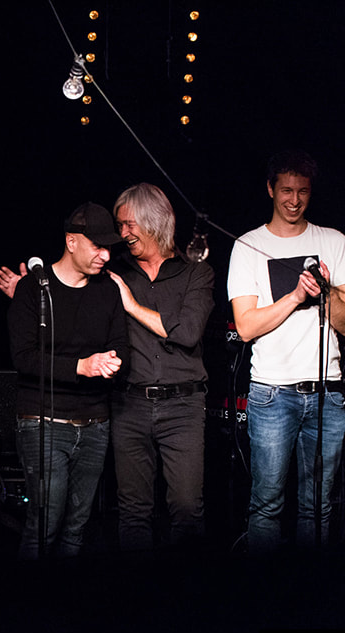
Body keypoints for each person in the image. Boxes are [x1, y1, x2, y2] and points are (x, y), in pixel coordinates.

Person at [227, 150, 345, 553]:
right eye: (286, 190)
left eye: (302, 191)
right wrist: (297, 294)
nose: (294, 200)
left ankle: (308, 597)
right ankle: (264, 598)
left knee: (317, 508)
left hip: (326, 392)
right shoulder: (248, 246)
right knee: (266, 506)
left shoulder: (333, 241)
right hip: (272, 394)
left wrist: (327, 291)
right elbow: (246, 327)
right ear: (270, 190)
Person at [7, 202, 128, 558]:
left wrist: (111, 363)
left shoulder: (107, 290)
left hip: (95, 425)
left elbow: (120, 345)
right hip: (44, 421)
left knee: (77, 529)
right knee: (44, 526)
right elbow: (24, 358)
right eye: (97, 246)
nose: (105, 255)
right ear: (71, 241)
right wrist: (81, 366)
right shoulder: (34, 288)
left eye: (109, 247)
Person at [107, 183, 214, 550]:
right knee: (133, 511)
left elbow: (185, 333)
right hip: (129, 404)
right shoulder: (117, 271)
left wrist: (131, 305)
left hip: (182, 407)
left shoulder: (195, 273)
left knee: (186, 508)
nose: (123, 233)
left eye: (129, 224)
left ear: (154, 222)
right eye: (119, 225)